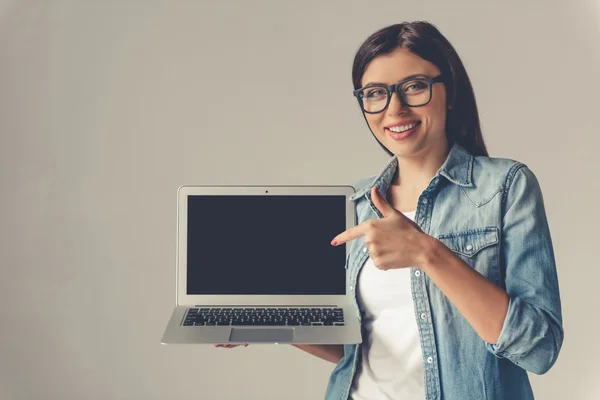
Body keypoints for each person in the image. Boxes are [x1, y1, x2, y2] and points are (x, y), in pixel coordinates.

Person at [218, 21, 564, 400]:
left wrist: (426, 253)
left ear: (450, 92)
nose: (394, 108)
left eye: (414, 86)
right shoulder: (357, 204)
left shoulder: (505, 187)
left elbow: (539, 347)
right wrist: (267, 327)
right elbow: (358, 354)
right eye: (375, 93)